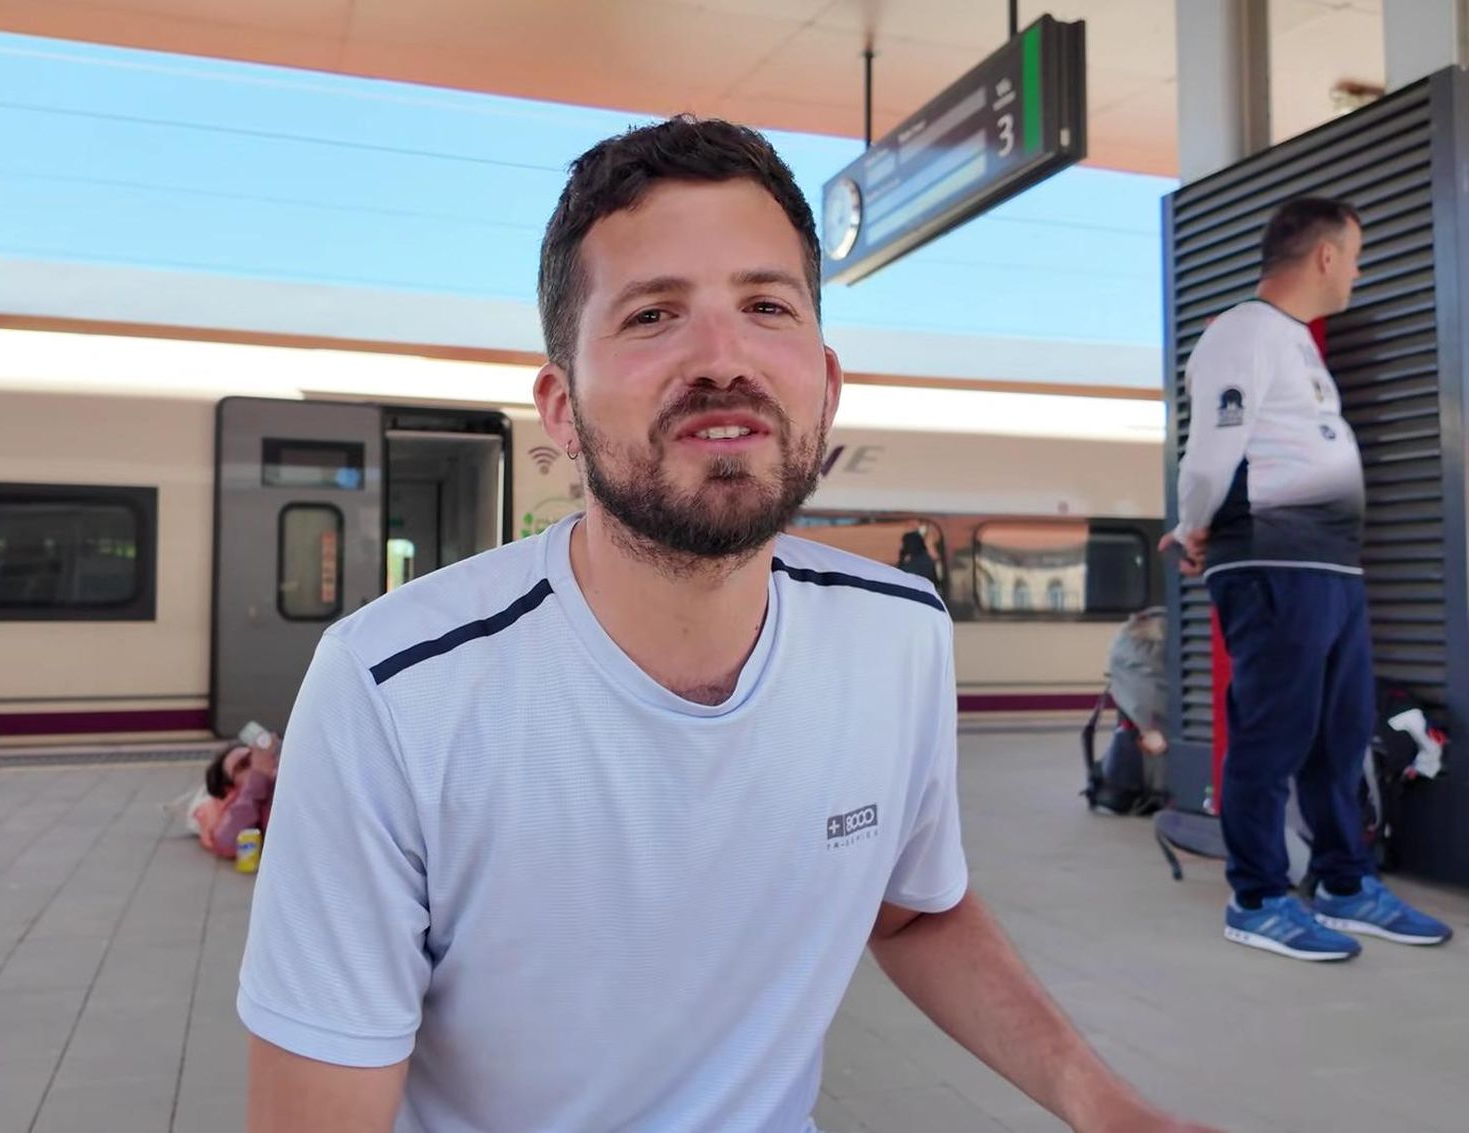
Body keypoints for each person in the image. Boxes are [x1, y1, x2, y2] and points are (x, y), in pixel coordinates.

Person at [238, 116, 1218, 1133]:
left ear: (826, 386)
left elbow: (913, 908)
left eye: (764, 304)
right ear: (562, 409)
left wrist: (1104, 1106)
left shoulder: (898, 635)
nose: (722, 357)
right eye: (654, 314)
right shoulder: (393, 689)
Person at [1159, 197, 1451, 961]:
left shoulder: (1292, 344)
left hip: (1328, 567)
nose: (1357, 270)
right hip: (1272, 563)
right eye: (1354, 254)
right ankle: (1256, 896)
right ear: (1324, 256)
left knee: (1340, 734)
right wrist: (1195, 525)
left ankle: (1344, 882)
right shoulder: (1242, 333)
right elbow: (1210, 453)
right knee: (1273, 731)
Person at [194, 740, 276, 861]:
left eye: (255, 755)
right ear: (232, 788)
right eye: (243, 764)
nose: (256, 762)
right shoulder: (245, 803)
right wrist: (257, 779)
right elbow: (228, 842)